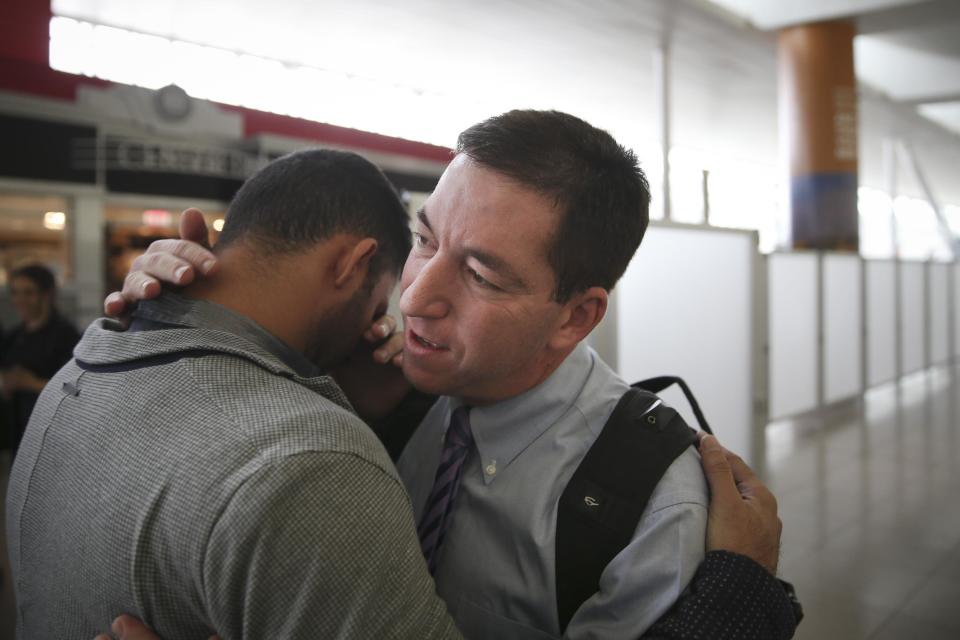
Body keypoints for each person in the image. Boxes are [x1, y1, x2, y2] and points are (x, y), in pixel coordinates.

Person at [100, 111, 800, 639]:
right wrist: (196, 312)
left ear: (573, 318)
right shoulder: (394, 389)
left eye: (480, 274)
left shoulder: (654, 506)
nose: (415, 296)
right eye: (425, 240)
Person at [6, 149, 460, 639]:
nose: (372, 329)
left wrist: (341, 401)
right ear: (352, 263)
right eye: (375, 306)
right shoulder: (313, 461)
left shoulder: (74, 377)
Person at [0, 263, 80, 454]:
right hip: (17, 436)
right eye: (15, 293)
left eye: (28, 293)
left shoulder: (66, 337)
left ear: (47, 295)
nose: (20, 300)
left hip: (52, 437)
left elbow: (75, 390)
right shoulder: (13, 337)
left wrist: (31, 383)